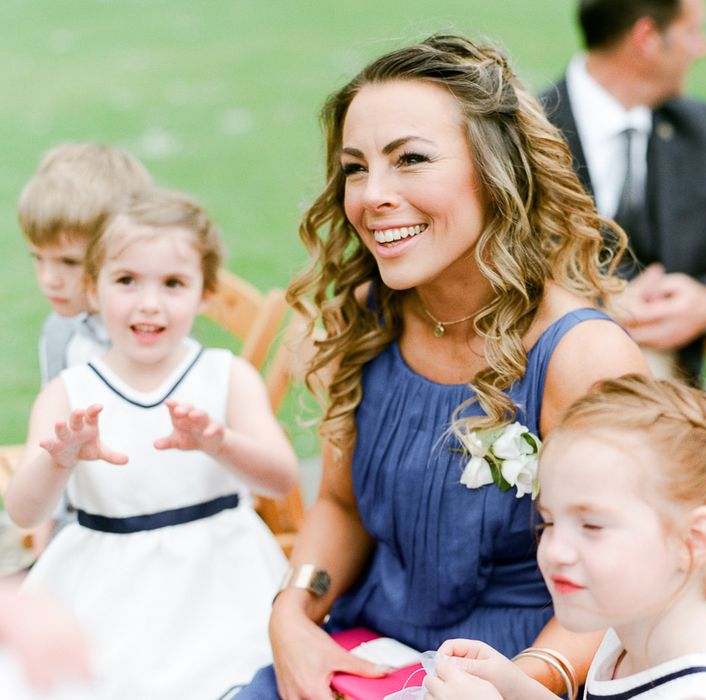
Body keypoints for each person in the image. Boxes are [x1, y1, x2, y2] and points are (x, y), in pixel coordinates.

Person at [235, 34, 648, 700]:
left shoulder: (580, 356)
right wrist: (292, 610)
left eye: (410, 160)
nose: (372, 196)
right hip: (371, 658)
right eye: (355, 167)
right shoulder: (365, 319)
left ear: (496, 169)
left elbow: (627, 575)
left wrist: (520, 683)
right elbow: (341, 506)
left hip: (521, 671)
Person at [5, 187, 299, 699]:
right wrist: (60, 460)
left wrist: (220, 442)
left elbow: (281, 477)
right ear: (92, 291)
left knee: (235, 680)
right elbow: (26, 512)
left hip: (220, 581)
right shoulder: (68, 392)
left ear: (204, 292)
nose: (149, 303)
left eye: (173, 283)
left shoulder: (225, 376)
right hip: (103, 584)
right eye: (126, 281)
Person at [424, 373, 706, 699]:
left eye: (591, 526)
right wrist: (514, 685)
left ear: (692, 541)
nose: (554, 550)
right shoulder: (632, 630)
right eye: (549, 523)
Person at [540, 0, 706, 382]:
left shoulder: (697, 128)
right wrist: (599, 305)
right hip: (551, 384)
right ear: (647, 37)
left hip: (674, 392)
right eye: (693, 32)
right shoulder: (523, 131)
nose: (703, 49)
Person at [18, 142, 154, 549]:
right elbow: (53, 437)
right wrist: (46, 532)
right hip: (82, 515)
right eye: (38, 258)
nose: (49, 279)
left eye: (68, 263)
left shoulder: (152, 331)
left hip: (147, 514)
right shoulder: (61, 330)